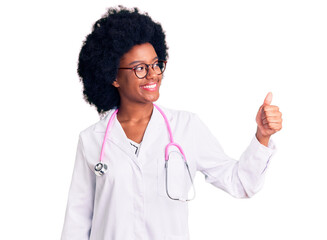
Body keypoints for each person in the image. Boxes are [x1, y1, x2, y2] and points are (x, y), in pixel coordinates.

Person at [61, 6, 282, 240]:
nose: (152, 74)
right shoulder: (92, 139)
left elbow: (240, 183)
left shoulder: (186, 128)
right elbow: (77, 221)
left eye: (156, 64)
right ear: (113, 77)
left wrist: (262, 136)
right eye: (139, 68)